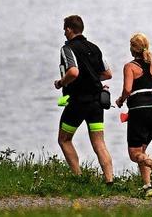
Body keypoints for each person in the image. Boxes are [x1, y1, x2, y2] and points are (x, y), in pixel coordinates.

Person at [54, 15, 114, 184]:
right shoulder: (95, 48)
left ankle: (78, 178)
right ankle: (109, 180)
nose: (64, 32)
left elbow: (73, 72)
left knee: (64, 139)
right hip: (97, 102)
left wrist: (60, 83)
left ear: (68, 29)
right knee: (99, 142)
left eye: (64, 29)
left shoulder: (67, 49)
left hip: (78, 102)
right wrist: (92, 78)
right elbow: (107, 74)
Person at [115, 33, 152, 199]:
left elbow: (128, 89)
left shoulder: (130, 67)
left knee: (134, 154)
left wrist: (120, 100)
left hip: (139, 110)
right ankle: (147, 187)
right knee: (142, 151)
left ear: (132, 49)